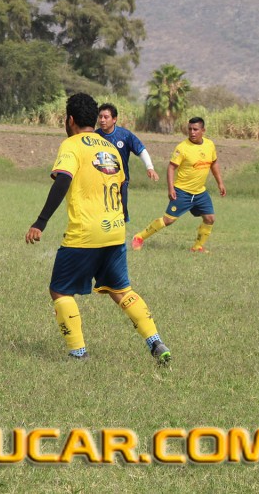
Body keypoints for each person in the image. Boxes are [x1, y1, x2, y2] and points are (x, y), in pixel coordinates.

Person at [26, 93, 171, 364]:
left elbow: (63, 180)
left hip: (86, 232)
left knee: (60, 290)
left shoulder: (71, 145)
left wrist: (41, 221)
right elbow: (122, 184)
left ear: (70, 119)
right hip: (115, 229)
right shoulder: (110, 148)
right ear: (93, 119)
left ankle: (78, 353)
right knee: (121, 290)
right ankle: (155, 341)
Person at [131, 116, 226, 253]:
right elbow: (171, 168)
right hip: (182, 192)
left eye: (195, 129)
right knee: (168, 220)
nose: (192, 132)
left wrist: (220, 183)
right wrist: (171, 189)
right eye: (190, 129)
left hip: (200, 192)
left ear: (203, 130)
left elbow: (214, 163)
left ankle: (197, 247)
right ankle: (139, 237)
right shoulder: (182, 148)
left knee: (210, 218)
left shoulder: (209, 145)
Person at [96, 102, 159, 222]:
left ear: (114, 119)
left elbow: (141, 150)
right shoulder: (95, 136)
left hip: (121, 181)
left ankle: (121, 231)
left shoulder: (125, 135)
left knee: (121, 212)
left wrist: (150, 167)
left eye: (106, 117)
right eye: (100, 117)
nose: (102, 120)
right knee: (101, 213)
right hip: (100, 181)